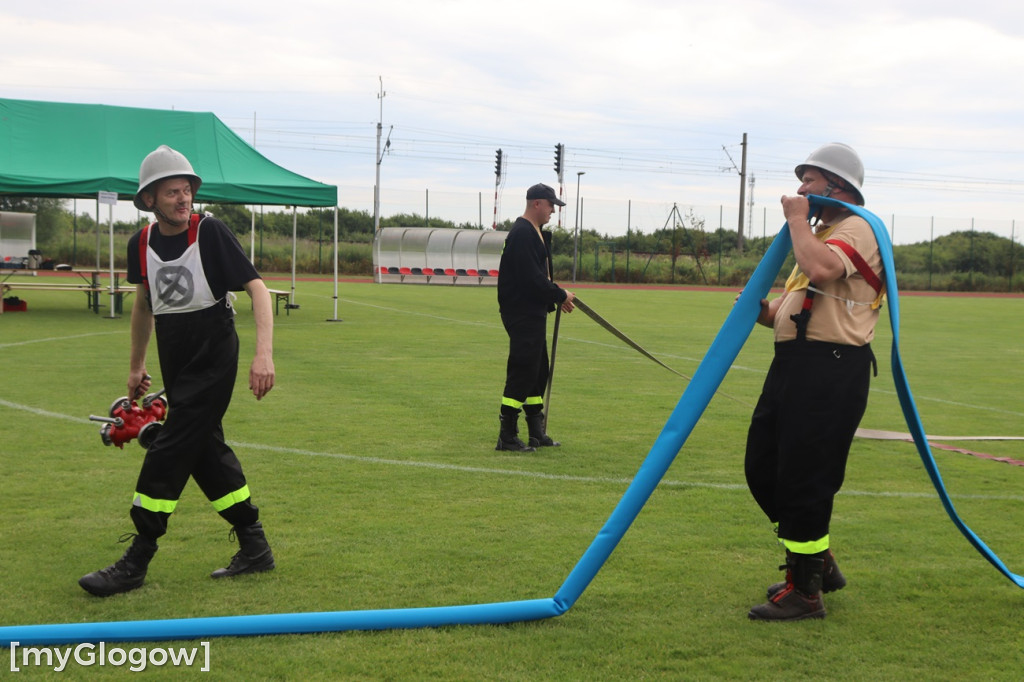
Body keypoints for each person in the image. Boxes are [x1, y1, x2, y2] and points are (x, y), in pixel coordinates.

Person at [79, 145, 277, 597]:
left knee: (169, 447)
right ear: (150, 199)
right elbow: (145, 306)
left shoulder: (210, 233)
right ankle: (255, 545)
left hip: (214, 352)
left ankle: (138, 557)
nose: (183, 199)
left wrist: (263, 355)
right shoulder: (141, 244)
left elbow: (258, 290)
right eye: (172, 192)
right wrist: (135, 367)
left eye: (186, 190)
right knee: (205, 453)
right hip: (176, 356)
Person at [744, 143, 884, 621]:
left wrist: (798, 220)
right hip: (796, 363)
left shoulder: (857, 228)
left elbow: (822, 268)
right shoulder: (823, 233)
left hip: (831, 367)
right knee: (762, 467)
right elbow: (800, 305)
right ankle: (817, 562)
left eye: (809, 180)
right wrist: (760, 311)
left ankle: (805, 591)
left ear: (837, 185)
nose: (799, 189)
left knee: (804, 476)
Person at [496, 183, 576, 452]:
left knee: (538, 370)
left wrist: (556, 297)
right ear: (536, 204)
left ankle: (535, 432)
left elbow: (538, 277)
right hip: (522, 312)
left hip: (533, 311)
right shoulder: (522, 234)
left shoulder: (535, 233)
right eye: (551, 205)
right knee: (522, 369)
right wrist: (559, 293)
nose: (554, 210)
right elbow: (531, 278)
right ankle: (507, 435)